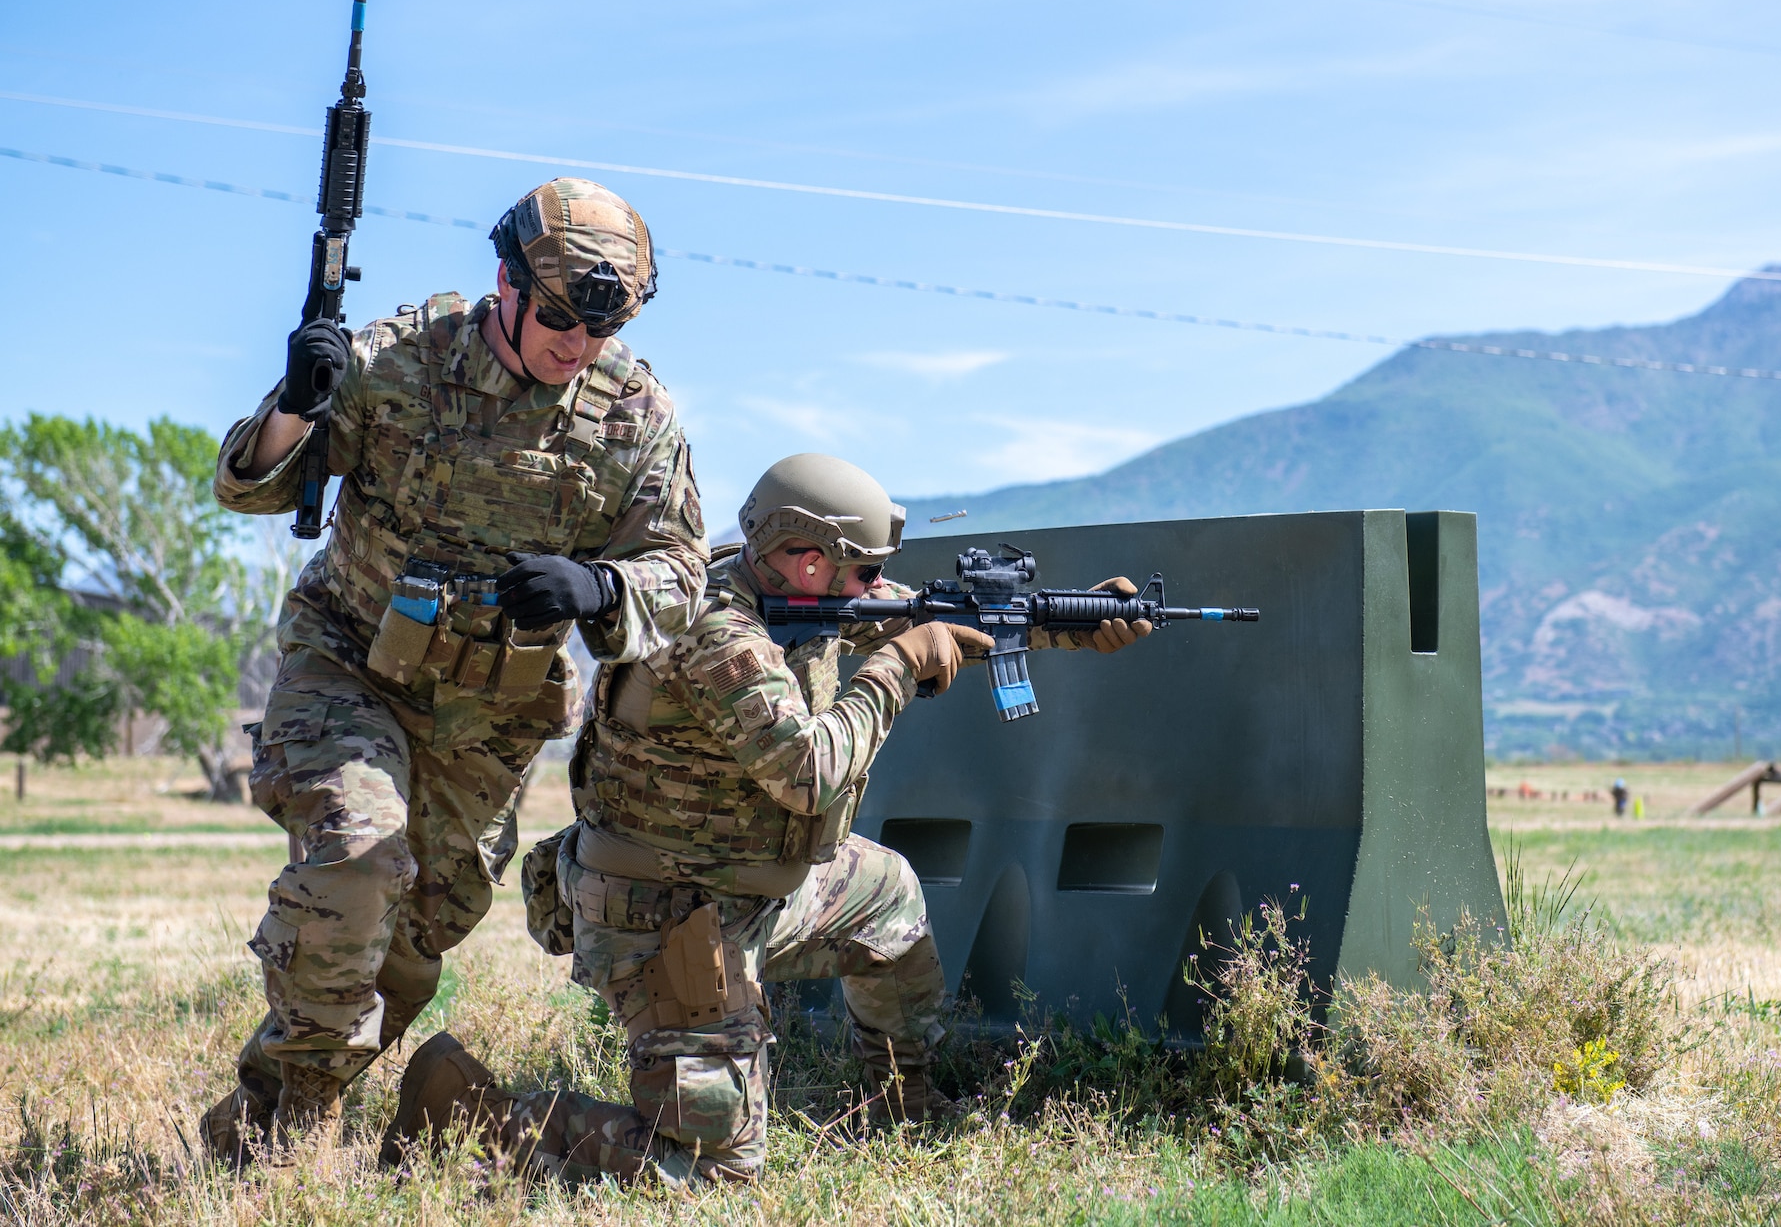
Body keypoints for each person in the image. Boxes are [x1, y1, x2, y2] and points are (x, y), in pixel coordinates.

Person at [378, 454, 1151, 1185]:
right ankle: (466, 1113)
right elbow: (810, 774)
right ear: (808, 561)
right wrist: (897, 666)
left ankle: (902, 1102)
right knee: (714, 1170)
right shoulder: (715, 631)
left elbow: (922, 615)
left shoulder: (796, 592)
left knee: (888, 894)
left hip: (753, 886)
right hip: (667, 916)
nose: (875, 587)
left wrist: (1063, 622)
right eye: (865, 570)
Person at [199, 179, 709, 1164]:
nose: (577, 344)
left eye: (603, 327)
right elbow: (249, 487)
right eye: (559, 317)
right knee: (358, 857)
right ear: (506, 282)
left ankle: (262, 1113)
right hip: (351, 661)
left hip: (492, 709)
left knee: (416, 940)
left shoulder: (634, 414)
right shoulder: (401, 360)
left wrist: (598, 586)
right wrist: (296, 406)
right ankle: (290, 1131)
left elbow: (679, 571)